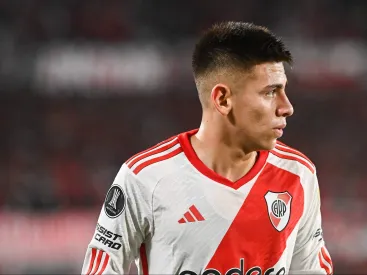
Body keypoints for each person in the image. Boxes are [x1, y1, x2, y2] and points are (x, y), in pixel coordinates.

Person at [81, 21, 333, 275]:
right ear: (223, 99)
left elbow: (310, 270)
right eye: (270, 92)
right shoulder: (145, 177)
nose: (286, 107)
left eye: (284, 90)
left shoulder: (298, 174)